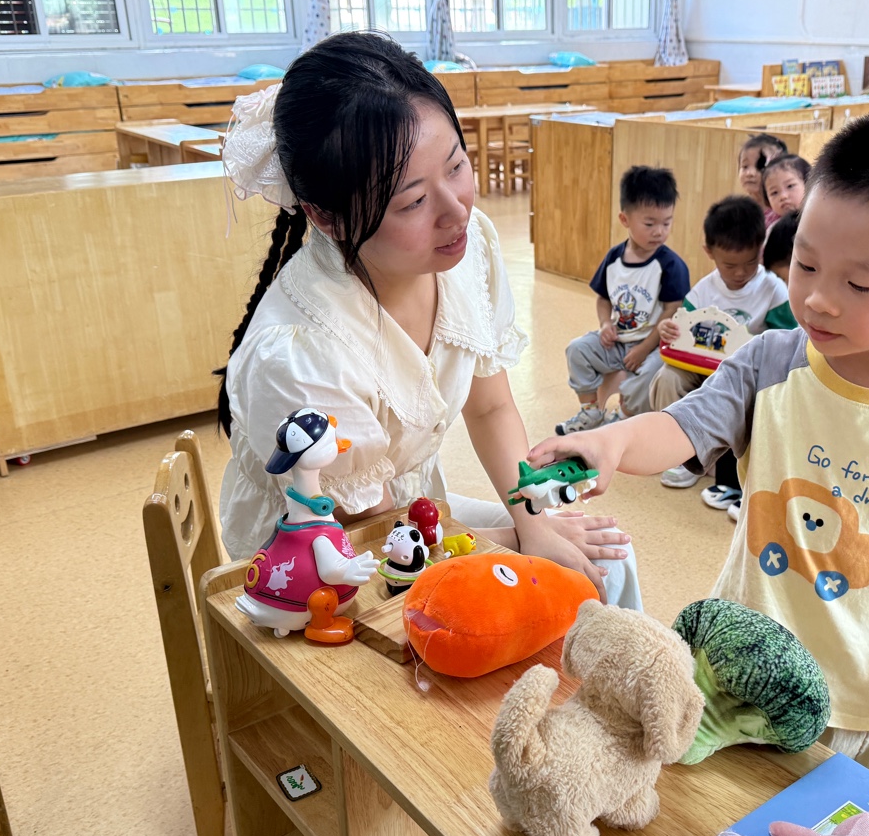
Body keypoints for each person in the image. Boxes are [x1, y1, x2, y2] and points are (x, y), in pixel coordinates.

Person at [529, 109, 869, 778]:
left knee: (818, 827)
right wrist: (613, 440)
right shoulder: (772, 361)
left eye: (859, 284)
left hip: (848, 697)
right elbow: (683, 426)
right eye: (807, 265)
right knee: (699, 809)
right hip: (727, 659)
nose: (817, 300)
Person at [215, 32, 637, 606]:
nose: (456, 209)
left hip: (409, 515)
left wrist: (535, 525)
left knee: (604, 559)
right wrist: (516, 541)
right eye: (413, 201)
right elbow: (366, 543)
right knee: (567, 585)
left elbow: (490, 407)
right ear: (325, 216)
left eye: (457, 165)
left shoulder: (463, 251)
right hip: (321, 572)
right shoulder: (301, 353)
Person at [652, 196, 791, 518]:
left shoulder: (773, 290)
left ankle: (733, 467)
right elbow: (682, 330)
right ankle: (681, 454)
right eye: (729, 265)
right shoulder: (705, 289)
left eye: (750, 262)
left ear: (760, 249)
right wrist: (668, 328)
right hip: (701, 367)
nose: (740, 273)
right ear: (710, 252)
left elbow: (784, 340)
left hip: (746, 376)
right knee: (667, 378)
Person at [556, 165, 688, 434]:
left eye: (666, 223)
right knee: (576, 349)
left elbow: (673, 310)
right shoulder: (614, 258)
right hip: (619, 341)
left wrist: (644, 348)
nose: (659, 232)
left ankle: (623, 417)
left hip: (654, 345)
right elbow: (603, 299)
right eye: (649, 224)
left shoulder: (670, 264)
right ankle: (591, 411)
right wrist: (605, 324)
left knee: (653, 374)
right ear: (625, 219)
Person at [737, 133, 789, 213]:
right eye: (745, 166)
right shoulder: (739, 210)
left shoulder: (783, 211)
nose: (750, 173)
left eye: (760, 166)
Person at [761, 152, 810, 227]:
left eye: (790, 186)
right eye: (774, 192)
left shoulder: (819, 218)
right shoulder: (770, 226)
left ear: (808, 184)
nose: (783, 196)